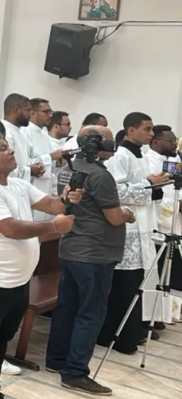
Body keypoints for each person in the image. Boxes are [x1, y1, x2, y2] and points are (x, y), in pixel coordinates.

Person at [0, 132, 77, 399]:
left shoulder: (17, 185)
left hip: (18, 280)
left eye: (9, 147)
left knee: (1, 339)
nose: (10, 151)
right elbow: (9, 228)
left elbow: (52, 204)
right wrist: (54, 225)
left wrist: (67, 199)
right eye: (2, 149)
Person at [44, 126, 132, 395]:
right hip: (95, 253)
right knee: (90, 313)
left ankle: (57, 360)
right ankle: (75, 372)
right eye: (107, 138)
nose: (111, 142)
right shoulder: (100, 176)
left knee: (67, 308)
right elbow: (114, 217)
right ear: (96, 143)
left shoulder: (69, 168)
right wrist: (128, 213)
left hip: (72, 249)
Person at [98, 112, 168, 355]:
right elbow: (113, 190)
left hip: (143, 224)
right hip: (126, 227)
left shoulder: (142, 156)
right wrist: (149, 185)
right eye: (147, 129)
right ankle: (115, 336)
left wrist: (154, 185)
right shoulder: (120, 156)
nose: (151, 134)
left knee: (137, 282)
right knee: (124, 285)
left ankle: (133, 331)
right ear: (130, 131)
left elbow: (142, 186)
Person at [145, 125, 182, 328]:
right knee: (156, 271)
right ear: (156, 141)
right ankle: (153, 316)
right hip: (156, 224)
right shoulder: (148, 161)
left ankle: (167, 314)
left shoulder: (173, 161)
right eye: (170, 140)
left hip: (173, 222)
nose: (174, 143)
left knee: (172, 269)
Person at [25, 98, 65, 221]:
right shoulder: (25, 131)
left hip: (46, 189)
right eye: (46, 112)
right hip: (31, 189)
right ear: (33, 112)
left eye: (50, 111)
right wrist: (51, 157)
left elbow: (50, 169)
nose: (50, 115)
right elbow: (25, 164)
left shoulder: (43, 133)